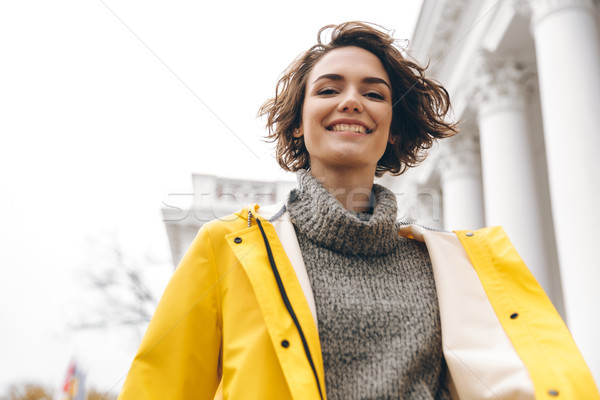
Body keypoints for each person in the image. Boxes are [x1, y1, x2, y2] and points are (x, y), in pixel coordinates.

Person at [118, 22, 598, 400]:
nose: (351, 101)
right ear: (299, 125)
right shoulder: (227, 248)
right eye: (328, 90)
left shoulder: (455, 265)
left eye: (373, 93)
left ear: (392, 130)